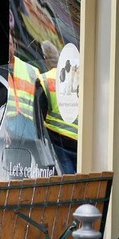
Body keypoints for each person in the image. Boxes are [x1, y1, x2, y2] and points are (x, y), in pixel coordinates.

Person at [36, 40, 78, 174]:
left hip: (58, 142)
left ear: (45, 58)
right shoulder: (75, 79)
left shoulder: (44, 80)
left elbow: (38, 117)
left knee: (65, 187)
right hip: (79, 141)